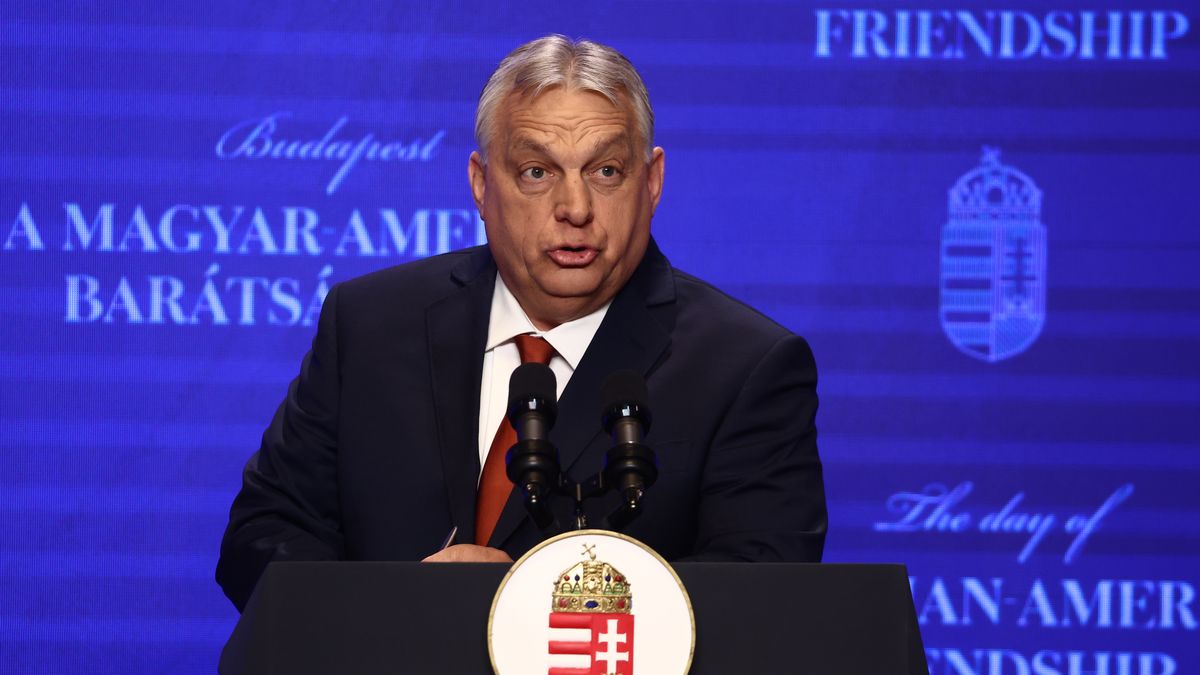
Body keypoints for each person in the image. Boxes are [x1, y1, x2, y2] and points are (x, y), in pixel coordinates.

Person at [216, 35, 826, 612]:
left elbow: (762, 593)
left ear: (653, 181)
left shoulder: (746, 366)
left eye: (605, 171)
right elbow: (263, 536)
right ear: (482, 186)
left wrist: (526, 607)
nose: (575, 209)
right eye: (537, 172)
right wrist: (400, 615)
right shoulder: (371, 324)